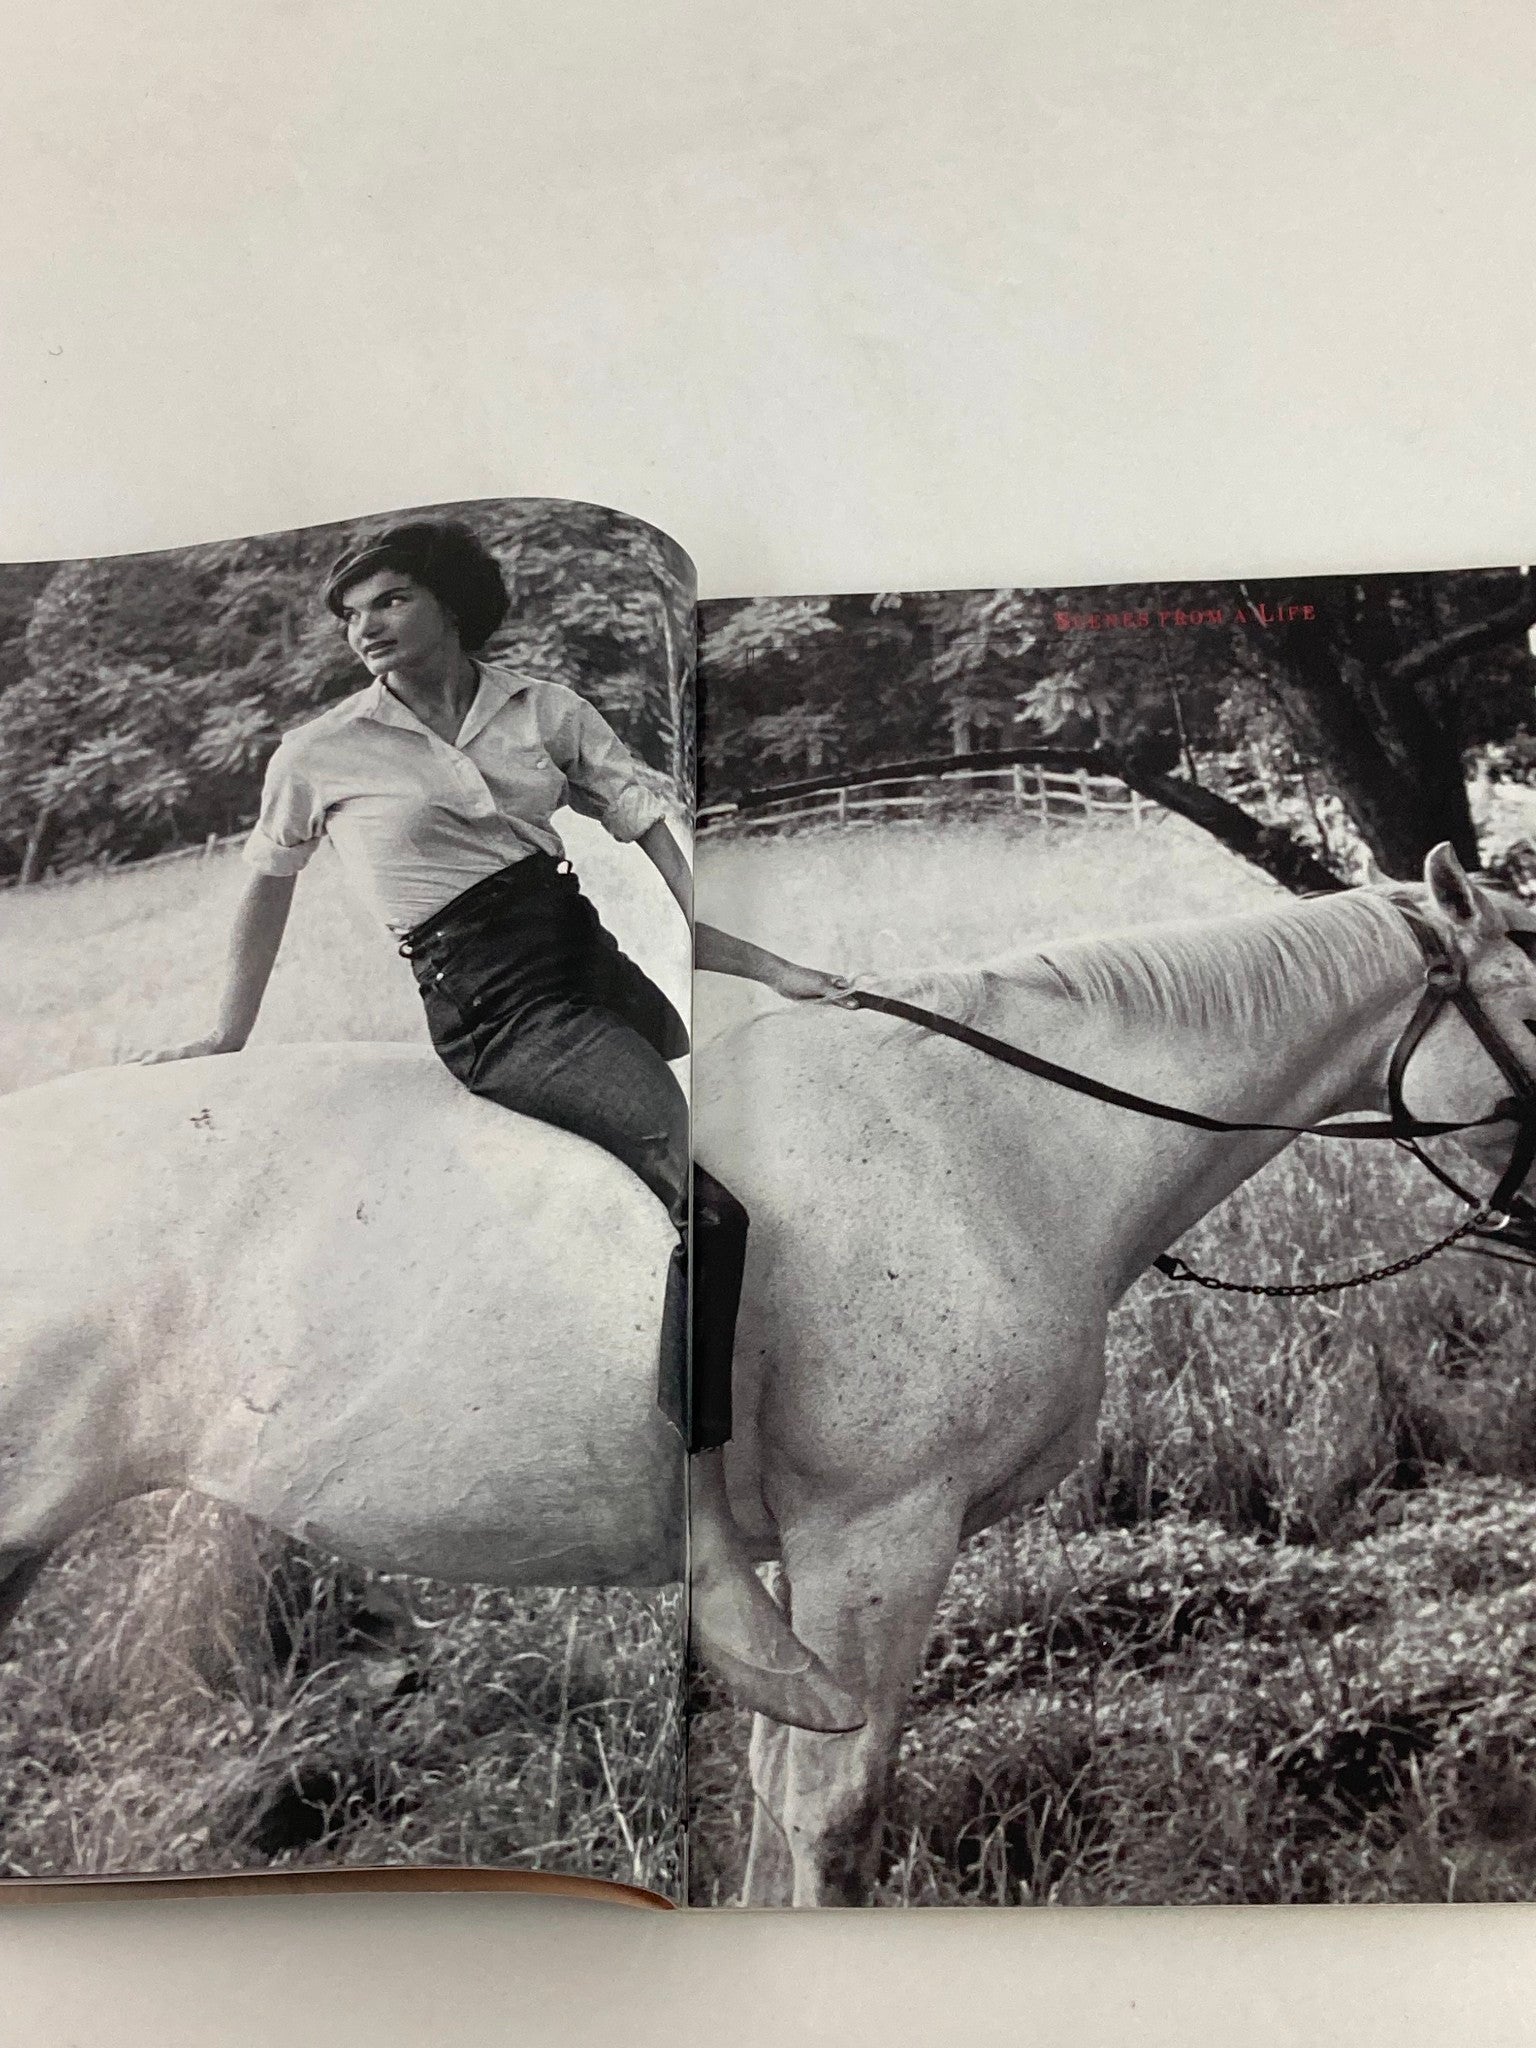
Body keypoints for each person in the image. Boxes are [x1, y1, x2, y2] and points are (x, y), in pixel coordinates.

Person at [137, 519, 863, 1735]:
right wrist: (225, 1033)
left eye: (389, 600)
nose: (363, 626)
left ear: (453, 606)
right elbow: (263, 887)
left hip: (593, 974)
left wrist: (771, 967)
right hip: (498, 1009)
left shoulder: (545, 708)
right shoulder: (320, 750)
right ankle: (707, 1545)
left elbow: (660, 854)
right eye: (351, 611)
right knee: (710, 1204)